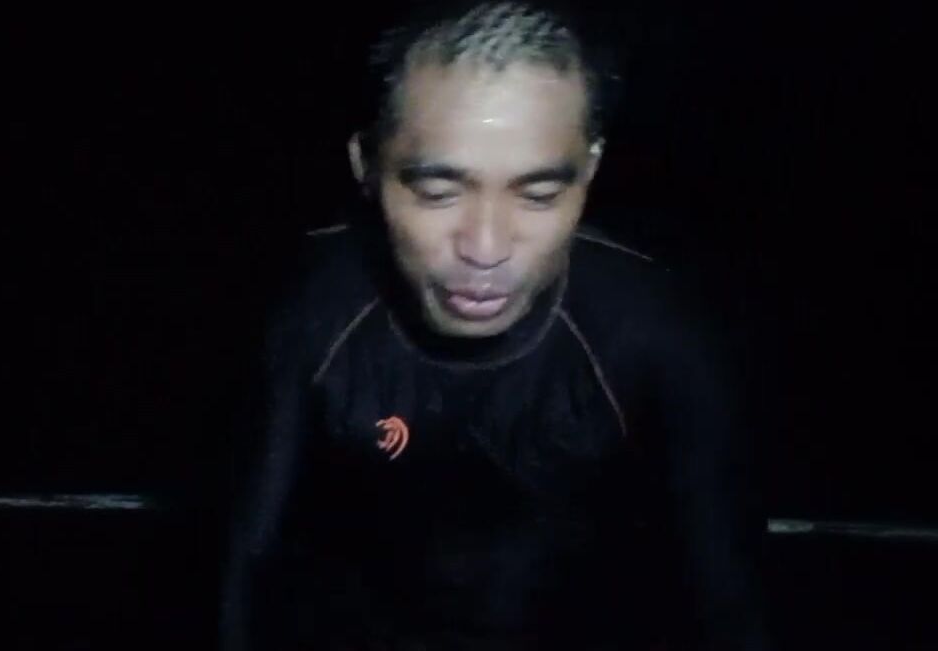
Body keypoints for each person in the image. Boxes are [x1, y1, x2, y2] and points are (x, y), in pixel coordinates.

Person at [221, 2, 768, 648]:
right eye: (438, 192)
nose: (485, 248)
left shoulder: (658, 332)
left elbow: (726, 590)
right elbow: (246, 559)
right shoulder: (308, 313)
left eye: (539, 194)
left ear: (590, 169)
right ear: (367, 165)